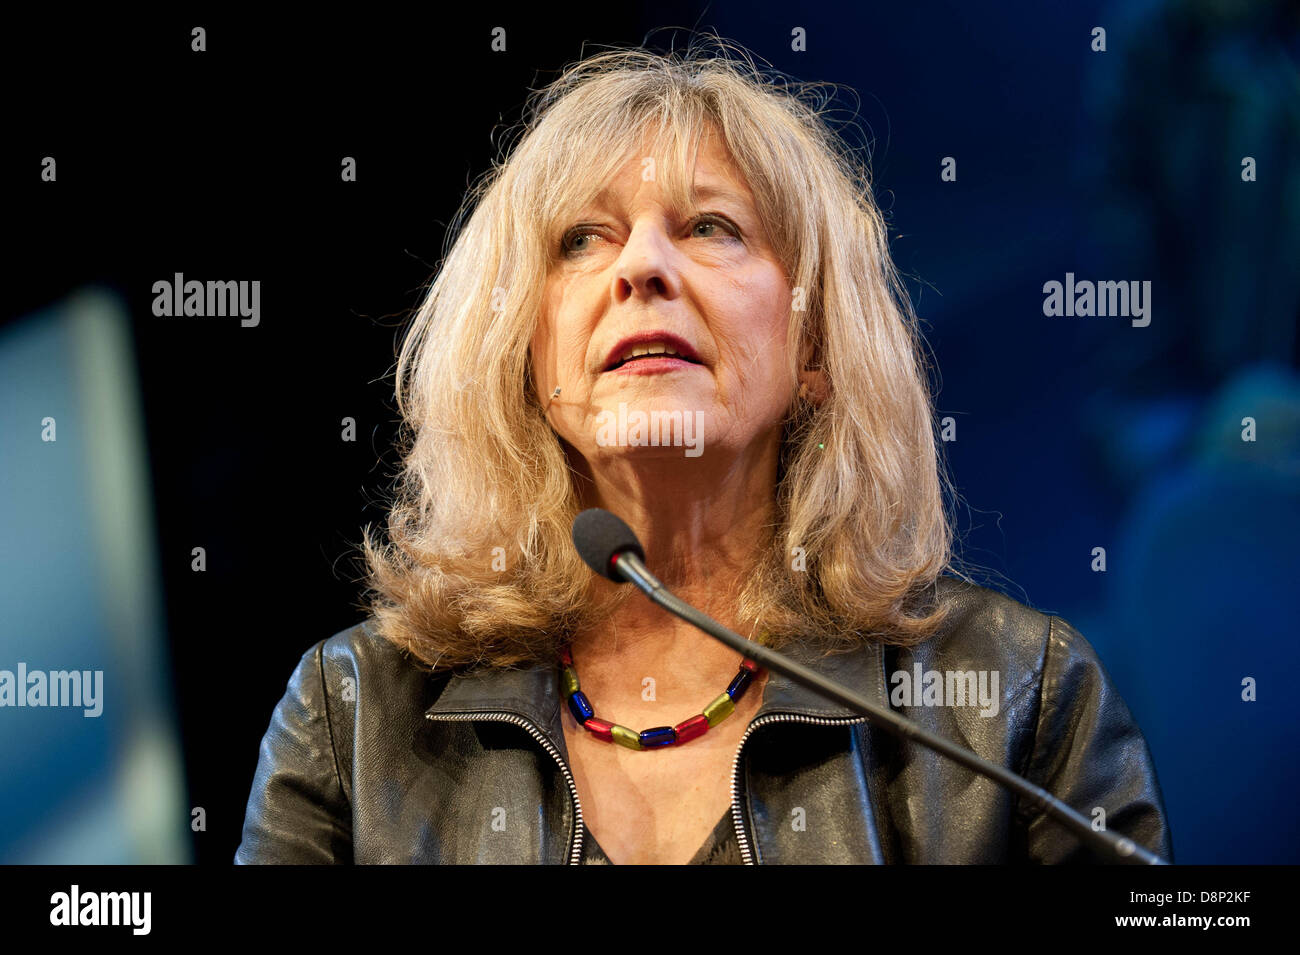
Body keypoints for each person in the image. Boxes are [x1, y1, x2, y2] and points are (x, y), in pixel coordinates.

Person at [235, 42, 1172, 865]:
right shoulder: (353, 717)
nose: (641, 266)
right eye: (581, 239)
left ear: (815, 348)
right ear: (524, 357)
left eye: (710, 227)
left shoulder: (1017, 703)